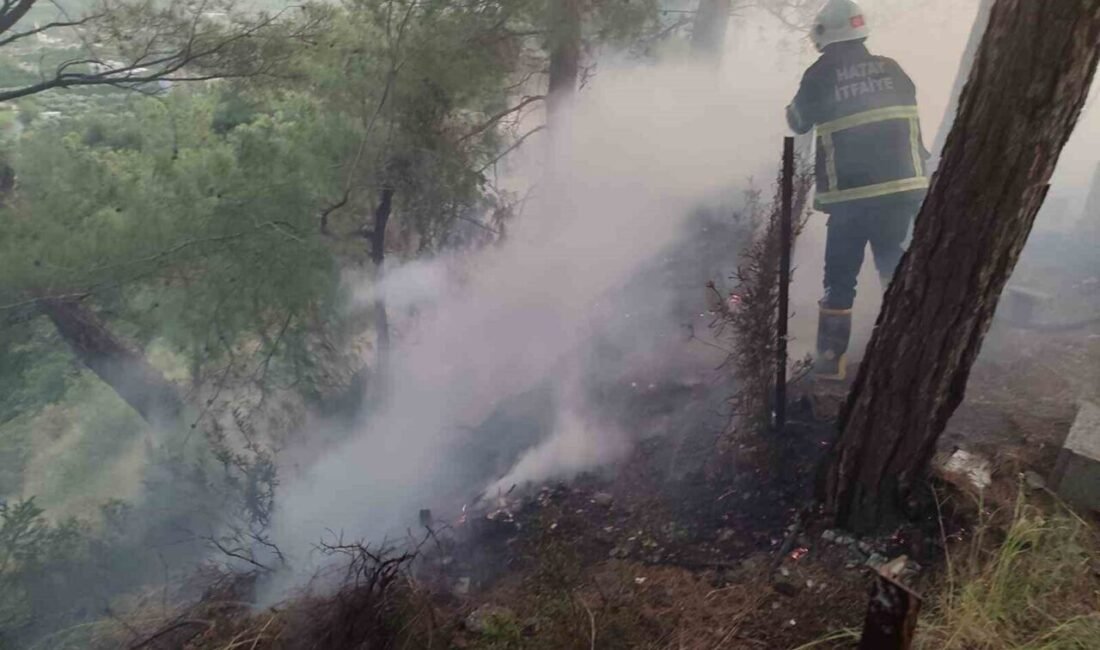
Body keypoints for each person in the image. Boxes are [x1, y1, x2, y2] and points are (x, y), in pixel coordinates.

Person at [786, 0, 930, 381]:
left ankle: (831, 364)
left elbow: (797, 120)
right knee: (891, 264)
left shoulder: (821, 74)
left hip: (852, 198)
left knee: (840, 280)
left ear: (823, 34)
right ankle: (905, 352)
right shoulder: (893, 69)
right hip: (900, 192)